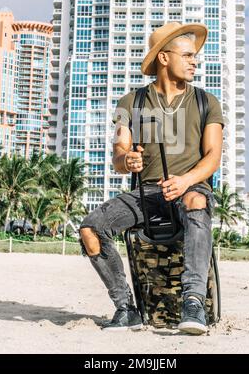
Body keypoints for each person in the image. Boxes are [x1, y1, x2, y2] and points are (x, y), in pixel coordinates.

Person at [80, 22, 224, 334]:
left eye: (194, 56)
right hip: (146, 194)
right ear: (163, 58)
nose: (194, 61)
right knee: (91, 228)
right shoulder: (128, 104)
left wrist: (186, 181)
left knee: (197, 199)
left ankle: (194, 303)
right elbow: (118, 154)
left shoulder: (207, 102)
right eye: (186, 55)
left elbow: (213, 156)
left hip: (190, 188)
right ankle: (125, 308)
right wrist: (126, 159)